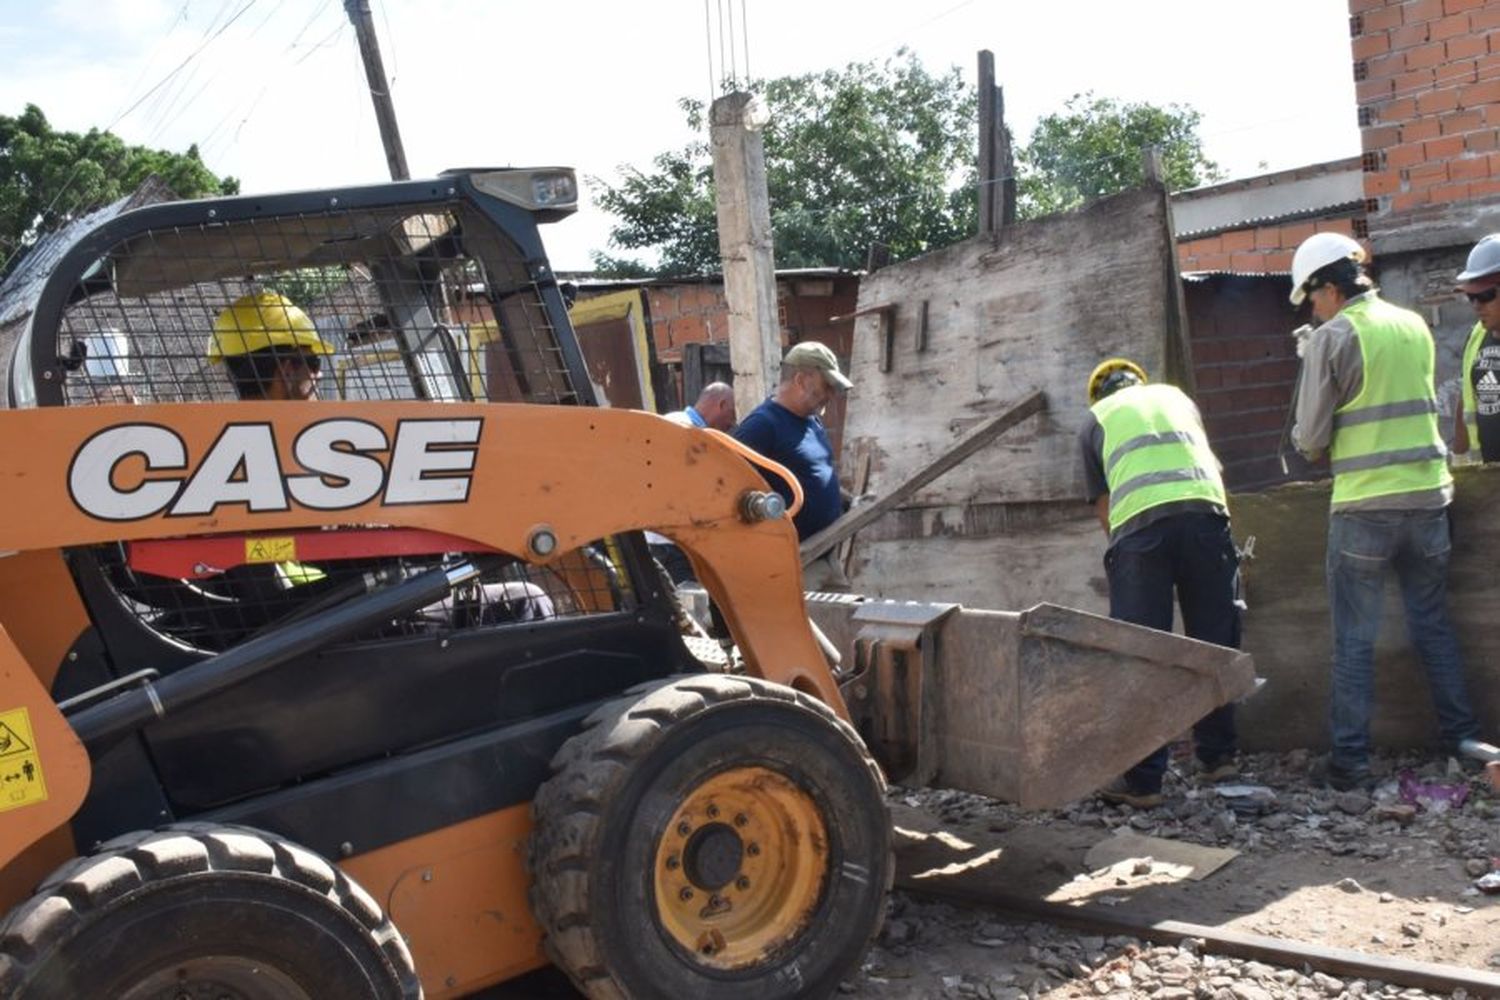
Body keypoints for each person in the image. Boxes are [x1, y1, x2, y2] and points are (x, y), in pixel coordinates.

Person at [1289, 233, 1481, 792]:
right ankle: (1462, 740)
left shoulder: (1334, 337)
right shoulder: (1412, 323)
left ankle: (1349, 763)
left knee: (1353, 639)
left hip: (1365, 508)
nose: (1312, 309)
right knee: (1433, 627)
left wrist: (1312, 367)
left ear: (1330, 288)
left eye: (1312, 298)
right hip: (1429, 502)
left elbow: (1310, 441)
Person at [1079, 358, 1240, 809]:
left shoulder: (1095, 420)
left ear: (1099, 394)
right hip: (1207, 519)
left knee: (1141, 651)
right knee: (1215, 640)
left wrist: (1123, 552)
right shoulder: (1178, 399)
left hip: (1141, 533)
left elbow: (1106, 506)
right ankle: (1218, 757)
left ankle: (1144, 781)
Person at [733, 341, 851, 591]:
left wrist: (846, 500)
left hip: (827, 556)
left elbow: (812, 474)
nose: (830, 394)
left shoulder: (812, 422)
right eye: (826, 386)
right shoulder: (762, 426)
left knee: (845, 626)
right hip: (795, 564)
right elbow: (729, 492)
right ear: (800, 380)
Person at [1452, 234, 1500, 461]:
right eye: (1471, 297)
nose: (1477, 306)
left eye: (1486, 295)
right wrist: (1460, 470)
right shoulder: (1476, 337)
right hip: (1487, 485)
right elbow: (1465, 403)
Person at [666, 381, 736, 431]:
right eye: (732, 413)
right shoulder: (684, 428)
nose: (732, 423)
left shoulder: (669, 419)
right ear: (722, 405)